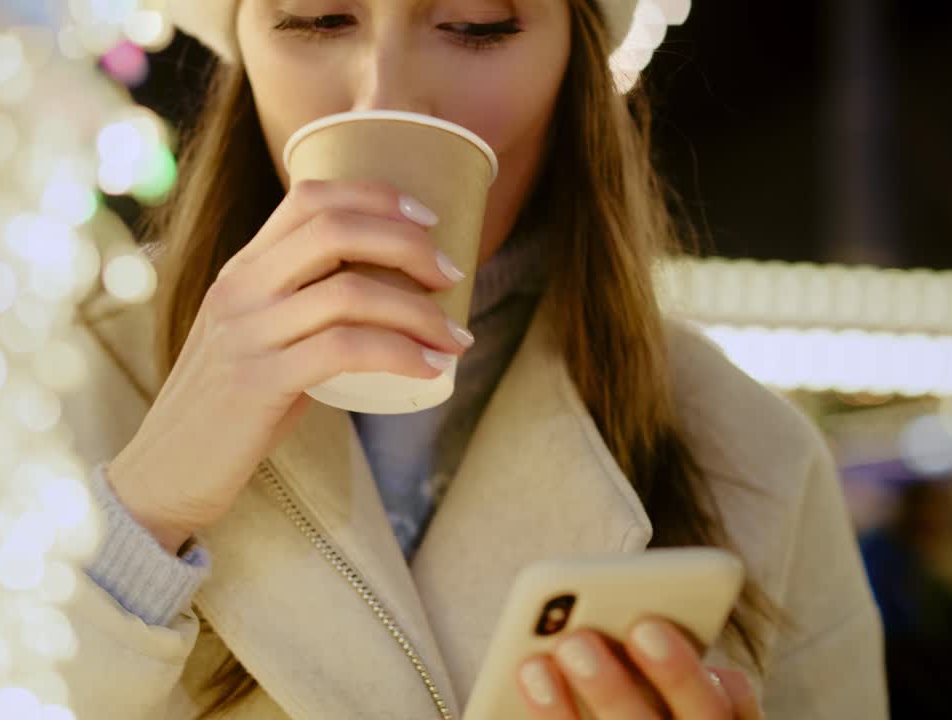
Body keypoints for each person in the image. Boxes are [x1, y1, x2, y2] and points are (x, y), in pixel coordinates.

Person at [59, 1, 887, 718]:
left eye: (475, 26)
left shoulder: (751, 453)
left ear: (579, 60)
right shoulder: (51, 376)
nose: (383, 94)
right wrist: (145, 511)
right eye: (314, 19)